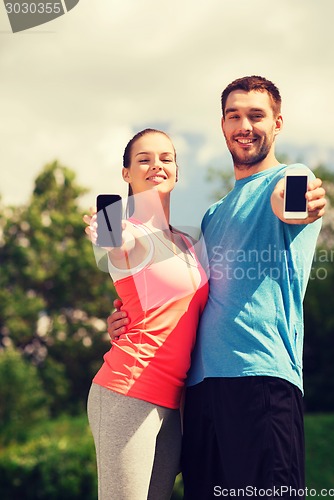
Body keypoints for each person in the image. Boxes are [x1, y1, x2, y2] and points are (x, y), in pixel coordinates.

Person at [108, 76, 326, 499]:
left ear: (277, 123)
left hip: (260, 378)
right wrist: (125, 317)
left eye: (256, 115)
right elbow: (185, 297)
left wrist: (303, 205)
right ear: (223, 125)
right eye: (234, 115)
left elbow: (297, 203)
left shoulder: (292, 176)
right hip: (200, 394)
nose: (245, 124)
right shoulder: (213, 214)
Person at [84, 128, 209, 500]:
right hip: (128, 392)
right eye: (144, 159)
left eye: (166, 158)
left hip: (172, 405)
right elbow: (118, 243)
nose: (157, 165)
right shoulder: (130, 233)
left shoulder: (189, 242)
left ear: (177, 170)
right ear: (127, 174)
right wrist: (106, 232)